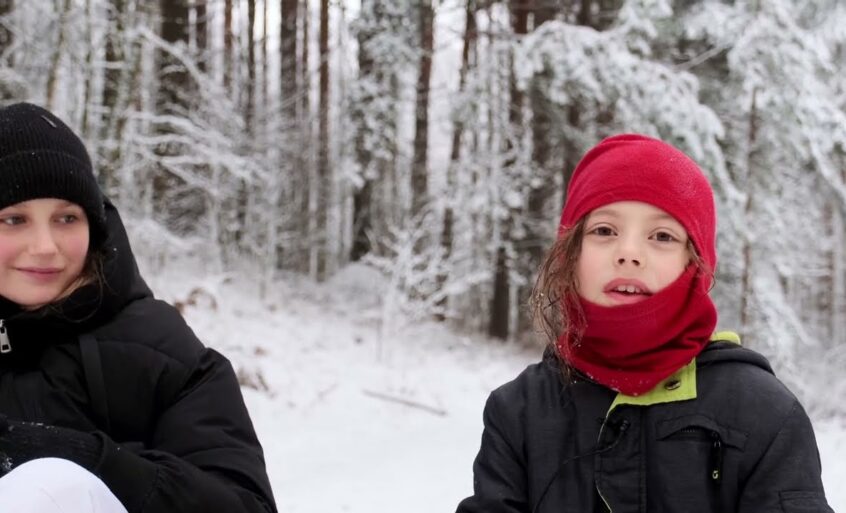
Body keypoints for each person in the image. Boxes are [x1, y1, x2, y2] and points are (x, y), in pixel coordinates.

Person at [456, 134, 833, 513]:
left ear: (694, 264)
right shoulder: (519, 411)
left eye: (662, 236)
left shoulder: (764, 412)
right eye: (604, 231)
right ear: (571, 254)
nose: (629, 254)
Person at [0, 102, 276, 512]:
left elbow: (244, 505)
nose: (45, 246)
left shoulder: (163, 351)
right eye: (14, 220)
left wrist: (92, 462)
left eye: (67, 218)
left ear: (94, 226)